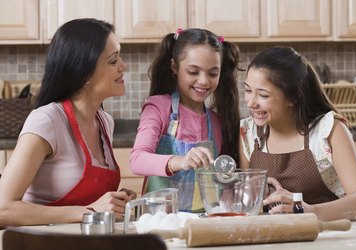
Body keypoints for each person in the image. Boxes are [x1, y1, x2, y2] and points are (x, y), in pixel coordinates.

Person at [0, 18, 136, 227]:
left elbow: (92, 202)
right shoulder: (47, 120)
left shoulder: (105, 122)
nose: (123, 66)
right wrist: (91, 211)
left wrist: (115, 202)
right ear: (84, 73)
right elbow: (3, 208)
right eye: (113, 60)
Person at [239, 46, 356, 221]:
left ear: (294, 97)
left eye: (263, 95)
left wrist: (310, 211)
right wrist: (255, 190)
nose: (250, 102)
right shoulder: (248, 133)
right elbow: (244, 204)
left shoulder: (328, 131)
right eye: (248, 90)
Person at [130, 28, 241, 212]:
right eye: (193, 71)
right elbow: (137, 160)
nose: (204, 81)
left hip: (203, 224)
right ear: (174, 67)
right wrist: (180, 161)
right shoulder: (158, 108)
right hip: (161, 223)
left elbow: (223, 179)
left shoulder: (217, 121)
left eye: (213, 73)